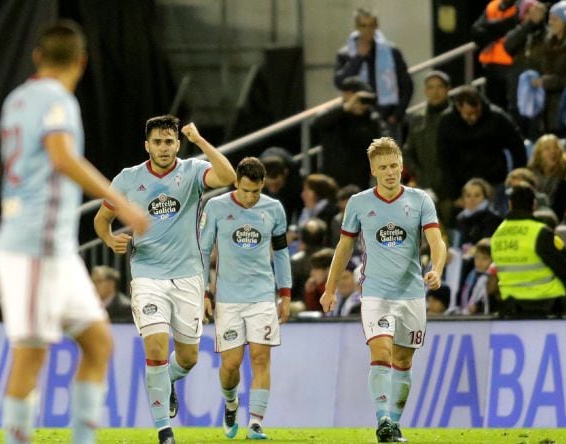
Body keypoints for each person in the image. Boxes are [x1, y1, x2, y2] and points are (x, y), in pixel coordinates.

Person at [0, 20, 148, 444]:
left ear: (37, 56)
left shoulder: (16, 99)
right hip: (33, 246)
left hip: (54, 248)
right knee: (31, 353)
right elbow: (62, 155)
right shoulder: (58, 99)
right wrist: (124, 206)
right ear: (82, 60)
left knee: (98, 343)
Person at [94, 114, 235, 444]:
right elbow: (102, 220)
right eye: (157, 141)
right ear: (147, 145)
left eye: (169, 141)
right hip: (147, 275)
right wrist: (108, 238)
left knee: (188, 358)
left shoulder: (192, 172)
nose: (163, 147)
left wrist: (200, 141)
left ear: (177, 144)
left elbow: (228, 175)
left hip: (188, 275)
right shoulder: (128, 179)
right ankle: (164, 431)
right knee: (155, 347)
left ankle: (169, 381)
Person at [319, 137, 446, 443]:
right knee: (380, 350)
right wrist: (330, 287)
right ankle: (383, 420)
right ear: (373, 170)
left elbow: (436, 241)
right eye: (382, 167)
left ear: (402, 166)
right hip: (375, 292)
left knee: (403, 361)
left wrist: (437, 270)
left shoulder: (419, 201)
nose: (389, 172)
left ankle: (395, 423)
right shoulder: (360, 203)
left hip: (412, 293)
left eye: (393, 166)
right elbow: (345, 246)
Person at [198, 157, 291, 440]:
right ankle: (230, 403)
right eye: (246, 190)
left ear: (263, 185)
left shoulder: (273, 209)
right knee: (230, 365)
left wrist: (285, 293)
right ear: (236, 182)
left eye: (256, 191)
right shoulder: (216, 207)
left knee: (261, 358)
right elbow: (203, 252)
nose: (251, 197)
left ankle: (255, 423)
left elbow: (281, 253)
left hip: (262, 295)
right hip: (228, 298)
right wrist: (204, 292)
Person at [437, 85, 527, 208]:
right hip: (463, 185)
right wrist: (453, 194)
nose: (473, 117)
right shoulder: (447, 122)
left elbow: (517, 147)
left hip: (494, 182)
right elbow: (444, 159)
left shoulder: (497, 117)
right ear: (459, 107)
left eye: (476, 113)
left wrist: (517, 176)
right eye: (469, 114)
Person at [491, 184, 566, 315]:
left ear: (510, 205)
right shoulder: (541, 232)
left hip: (512, 305)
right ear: (534, 204)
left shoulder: (497, 235)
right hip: (548, 302)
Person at [333, 8, 413, 141]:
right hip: (356, 118)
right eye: (363, 26)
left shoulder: (391, 52)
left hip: (387, 117)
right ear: (357, 27)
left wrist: (397, 115)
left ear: (376, 27)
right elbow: (340, 83)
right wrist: (358, 58)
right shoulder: (345, 54)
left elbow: (406, 84)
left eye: (371, 25)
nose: (367, 30)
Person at [314, 77, 388, 190]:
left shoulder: (371, 119)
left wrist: (364, 115)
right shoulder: (335, 114)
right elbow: (319, 123)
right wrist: (346, 108)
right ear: (347, 95)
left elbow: (382, 142)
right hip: (333, 178)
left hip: (358, 178)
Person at [403, 70, 451, 198]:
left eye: (440, 87)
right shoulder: (418, 120)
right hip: (425, 188)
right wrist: (418, 174)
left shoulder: (456, 118)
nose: (435, 92)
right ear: (425, 91)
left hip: (452, 188)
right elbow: (407, 153)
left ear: (448, 89)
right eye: (431, 87)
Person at [471, 0, 519, 112]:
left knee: (511, 109)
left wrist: (489, 26)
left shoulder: (524, 5)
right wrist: (497, 29)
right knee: (492, 108)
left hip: (512, 66)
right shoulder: (493, 6)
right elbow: (475, 30)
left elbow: (510, 25)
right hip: (491, 66)